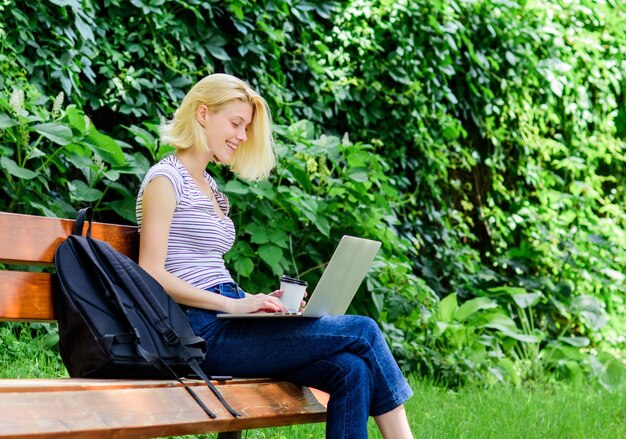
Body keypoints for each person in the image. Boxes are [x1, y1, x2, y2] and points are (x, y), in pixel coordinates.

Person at [136, 73, 414, 438]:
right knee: (363, 330)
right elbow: (151, 273)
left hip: (226, 317)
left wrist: (256, 301)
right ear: (203, 114)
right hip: (198, 334)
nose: (241, 135)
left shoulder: (210, 186)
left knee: (351, 369)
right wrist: (232, 305)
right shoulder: (164, 179)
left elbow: (207, 270)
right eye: (235, 123)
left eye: (245, 127)